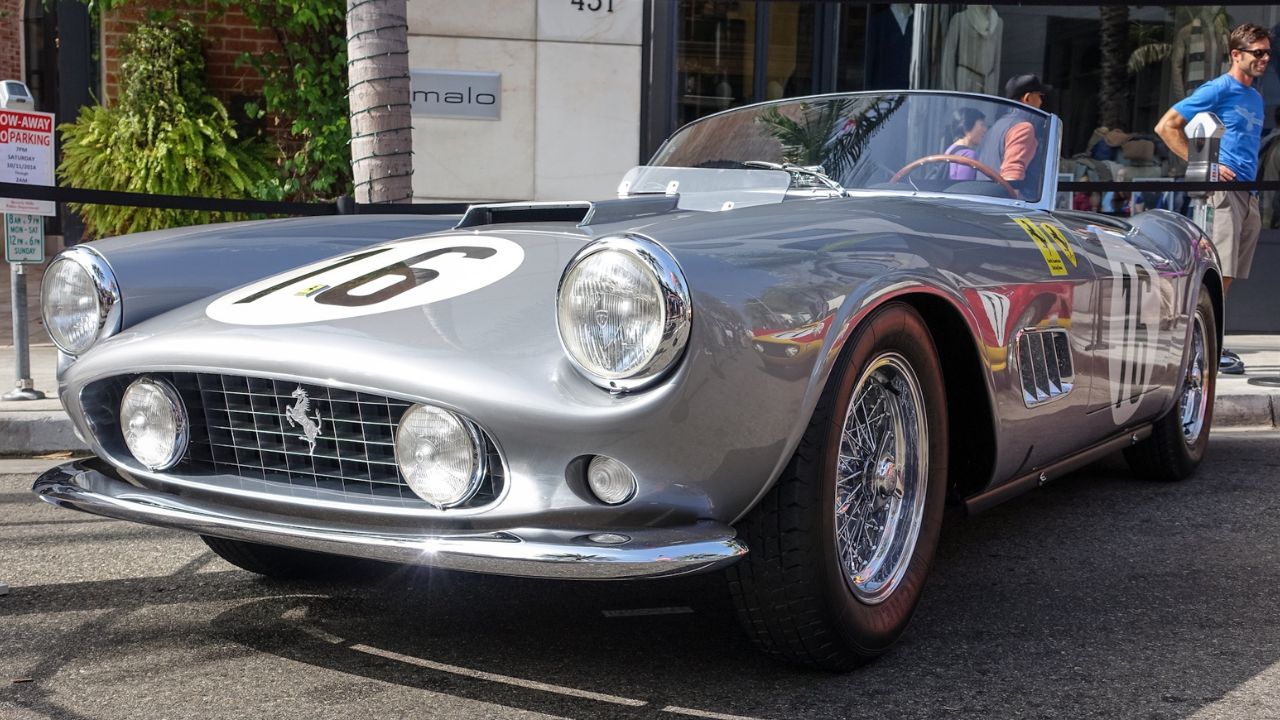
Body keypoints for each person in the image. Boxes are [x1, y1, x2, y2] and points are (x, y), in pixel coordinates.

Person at [1155, 22, 1271, 375]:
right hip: (1222, 193)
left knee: (1229, 273)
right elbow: (1167, 126)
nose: (1265, 58)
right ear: (1236, 54)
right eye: (1258, 53)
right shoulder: (1220, 87)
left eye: (1268, 52)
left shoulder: (1255, 96)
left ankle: (1208, 342)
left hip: (1247, 195)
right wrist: (1206, 165)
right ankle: (1201, 347)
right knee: (1215, 271)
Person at [977, 74, 1050, 195]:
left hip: (986, 202)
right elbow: (1013, 176)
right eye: (1040, 96)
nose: (1041, 102)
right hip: (1007, 207)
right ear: (1027, 98)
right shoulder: (1023, 128)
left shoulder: (996, 126)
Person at [944, 108, 988, 181]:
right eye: (982, 125)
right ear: (967, 126)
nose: (985, 130)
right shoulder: (968, 155)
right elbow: (964, 189)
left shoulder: (950, 149)